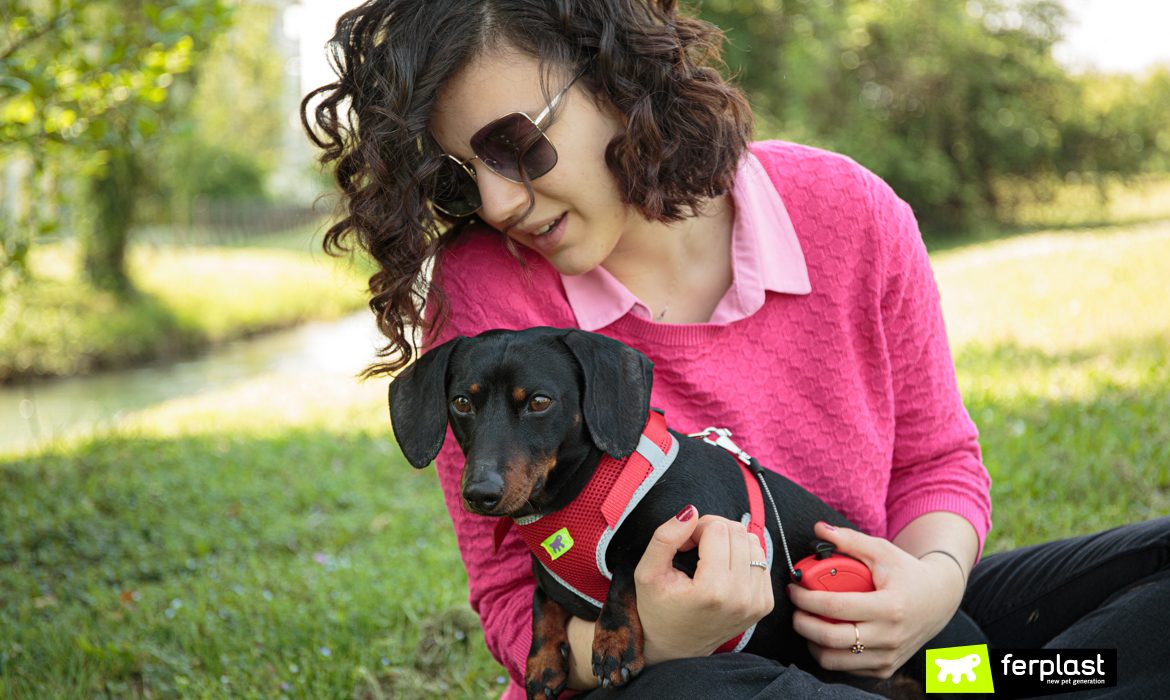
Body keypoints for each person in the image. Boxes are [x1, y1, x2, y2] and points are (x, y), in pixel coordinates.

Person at [302, 1, 1170, 697]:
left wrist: (928, 591)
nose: (496, 201)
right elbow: (505, 598)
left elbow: (937, 460)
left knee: (1068, 632)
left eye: (514, 146)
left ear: (616, 73)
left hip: (882, 633)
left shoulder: (847, 209)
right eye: (463, 170)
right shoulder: (490, 298)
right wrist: (663, 639)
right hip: (686, 672)